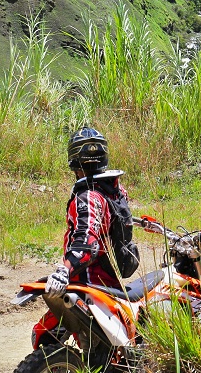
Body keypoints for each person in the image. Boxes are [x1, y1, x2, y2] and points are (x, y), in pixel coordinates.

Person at [45, 127, 140, 297]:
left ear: (73, 160)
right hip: (111, 282)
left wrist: (64, 272)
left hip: (87, 284)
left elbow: (87, 241)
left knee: (46, 325)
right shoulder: (115, 191)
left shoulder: (87, 197)